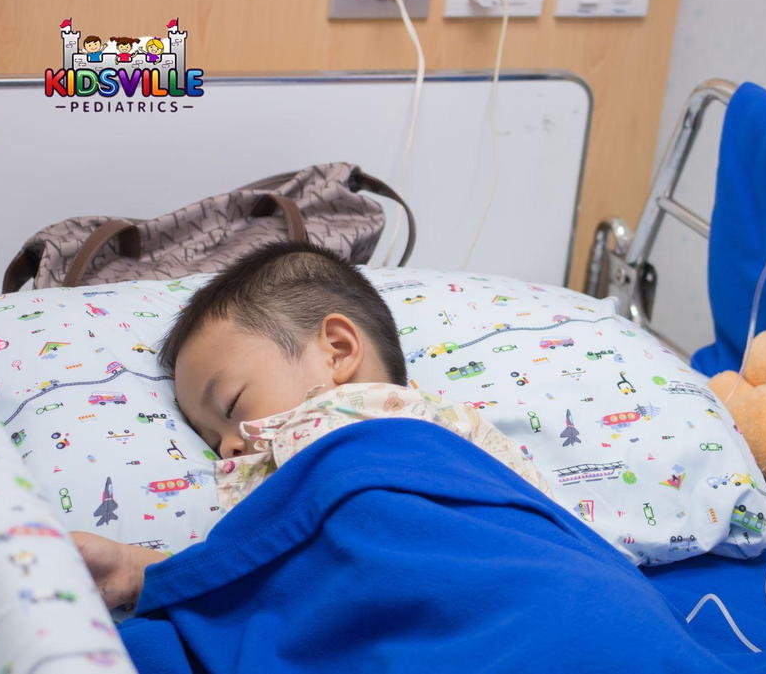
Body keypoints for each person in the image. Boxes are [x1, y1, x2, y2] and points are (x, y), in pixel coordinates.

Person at [71, 241, 547, 608]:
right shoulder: (465, 433)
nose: (228, 449)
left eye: (233, 404)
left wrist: (143, 574)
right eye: (211, 440)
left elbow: (284, 571)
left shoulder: (349, 422)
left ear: (337, 350)